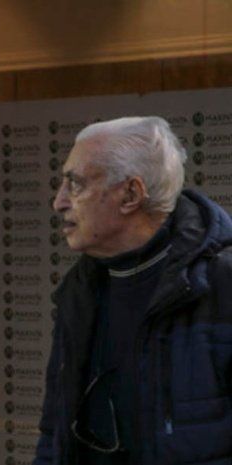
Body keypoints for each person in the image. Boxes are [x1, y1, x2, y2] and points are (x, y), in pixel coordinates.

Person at [34, 116, 232, 465]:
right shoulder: (79, 290)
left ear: (131, 194)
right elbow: (55, 433)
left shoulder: (221, 283)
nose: (59, 202)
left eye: (75, 184)